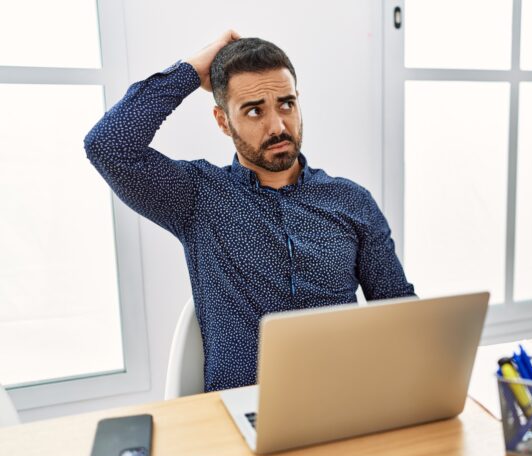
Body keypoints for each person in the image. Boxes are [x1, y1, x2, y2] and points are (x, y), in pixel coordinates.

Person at [84, 30, 415, 392]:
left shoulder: (352, 201)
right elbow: (107, 145)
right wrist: (191, 71)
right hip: (243, 405)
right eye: (255, 111)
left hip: (345, 398)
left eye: (286, 105)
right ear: (223, 121)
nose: (278, 126)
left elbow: (401, 314)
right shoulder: (197, 196)